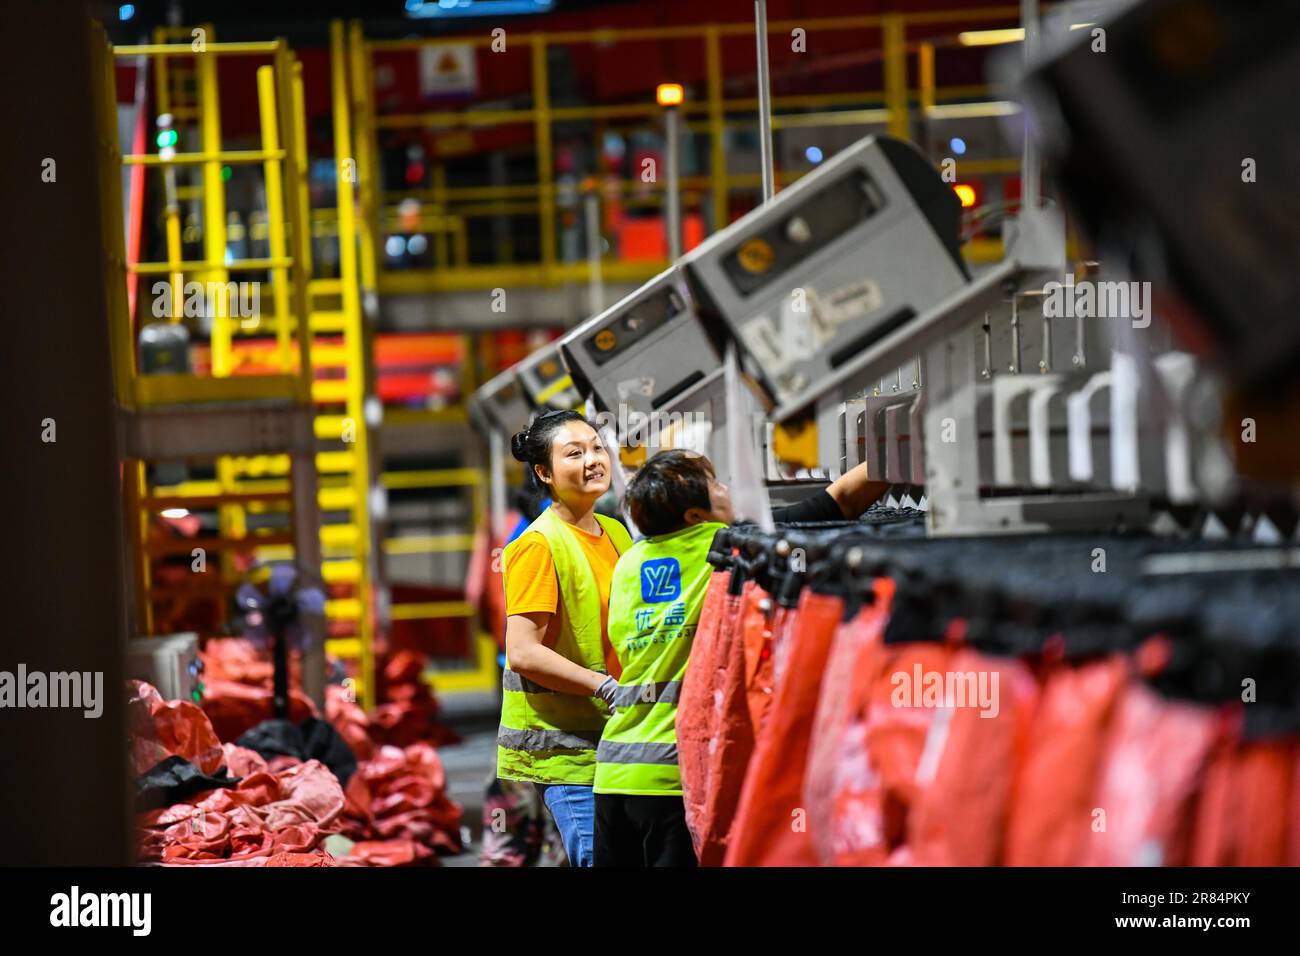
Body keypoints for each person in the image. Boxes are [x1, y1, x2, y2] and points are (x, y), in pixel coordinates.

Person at [592, 451, 886, 866]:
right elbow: (841, 501)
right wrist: (901, 443)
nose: (726, 489)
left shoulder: (628, 564)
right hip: (671, 779)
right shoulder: (722, 547)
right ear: (696, 515)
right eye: (715, 485)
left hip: (612, 775)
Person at [496, 409, 634, 868]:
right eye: (574, 453)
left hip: (619, 738)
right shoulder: (538, 545)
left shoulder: (614, 532)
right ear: (544, 473)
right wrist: (603, 686)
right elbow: (523, 651)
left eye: (597, 447)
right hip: (569, 752)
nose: (593, 459)